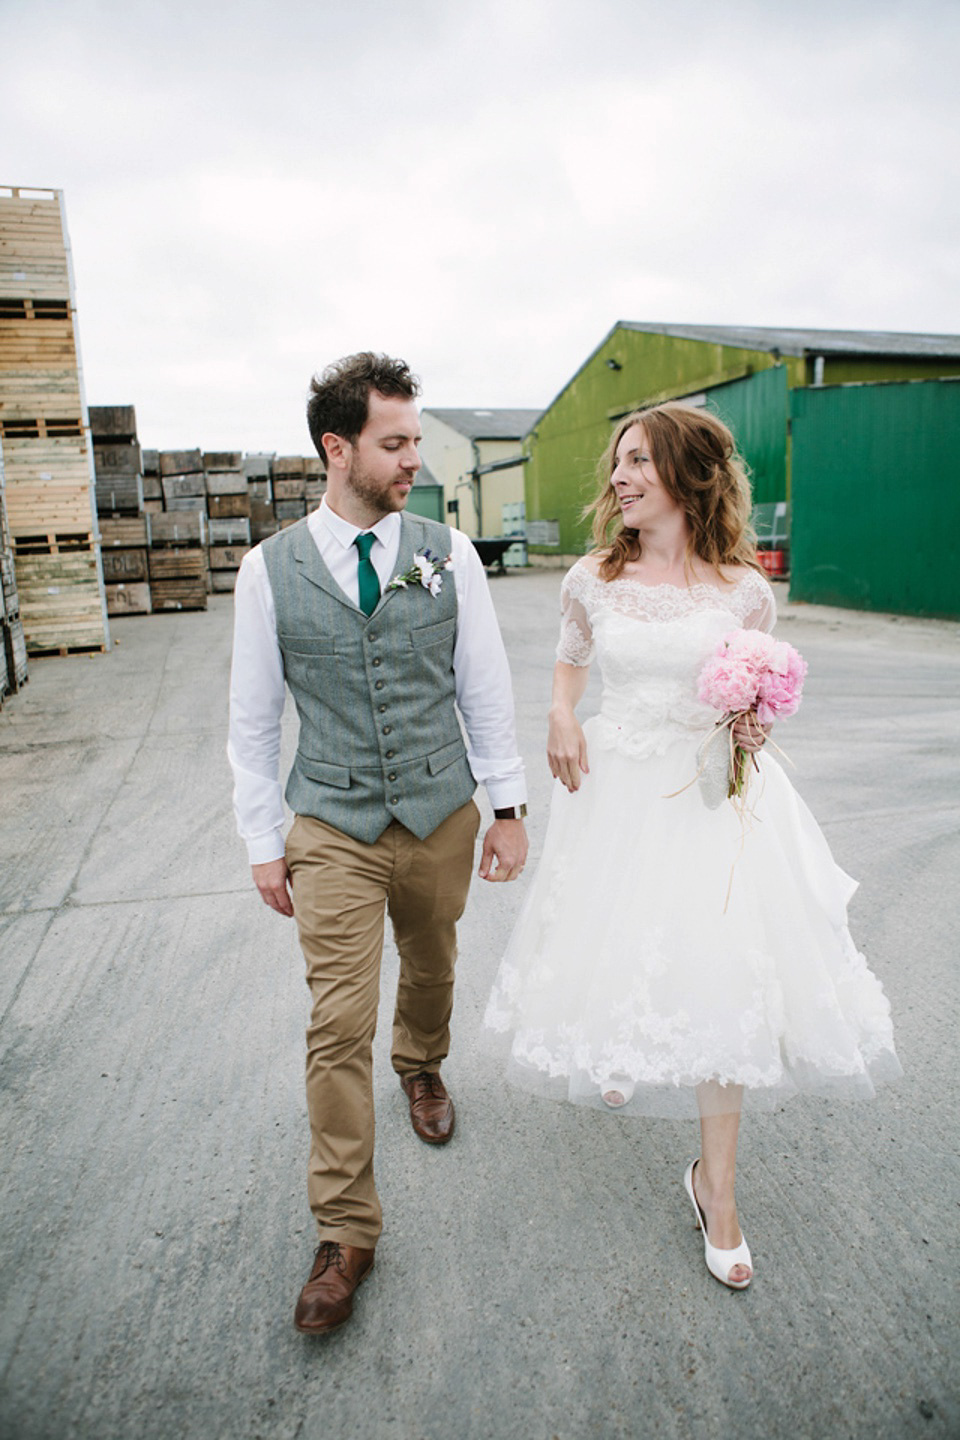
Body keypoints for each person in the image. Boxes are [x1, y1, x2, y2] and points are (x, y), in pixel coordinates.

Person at [484, 401, 899, 1290]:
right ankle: (627, 1051)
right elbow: (570, 663)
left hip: (718, 800)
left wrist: (752, 724)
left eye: (638, 460)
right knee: (622, 941)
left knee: (726, 975)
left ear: (685, 472)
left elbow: (755, 688)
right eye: (617, 462)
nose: (619, 478)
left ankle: (718, 1189)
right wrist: (561, 714)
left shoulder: (746, 588)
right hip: (620, 788)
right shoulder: (592, 578)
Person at [229, 352, 528, 1333]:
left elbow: (481, 682)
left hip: (441, 810)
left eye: (415, 439)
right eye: (395, 442)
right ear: (338, 447)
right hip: (332, 824)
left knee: (433, 962)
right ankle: (346, 1231)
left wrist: (508, 805)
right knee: (333, 1025)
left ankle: (423, 1060)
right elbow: (250, 722)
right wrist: (263, 841)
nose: (414, 457)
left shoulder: (446, 552)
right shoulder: (267, 573)